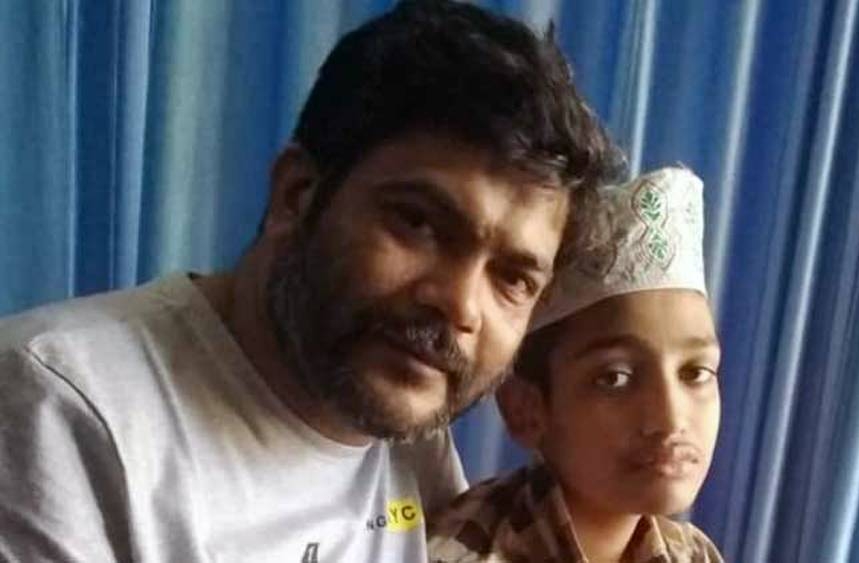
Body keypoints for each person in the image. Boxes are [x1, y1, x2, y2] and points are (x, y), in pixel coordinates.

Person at [0, 1, 623, 561]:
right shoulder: (60, 408)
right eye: (418, 222)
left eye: (512, 278)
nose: (459, 304)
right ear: (296, 196)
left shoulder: (410, 430)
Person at [428, 167, 725, 562]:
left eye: (696, 373)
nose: (670, 417)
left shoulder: (691, 553)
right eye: (615, 378)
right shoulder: (456, 551)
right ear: (526, 409)